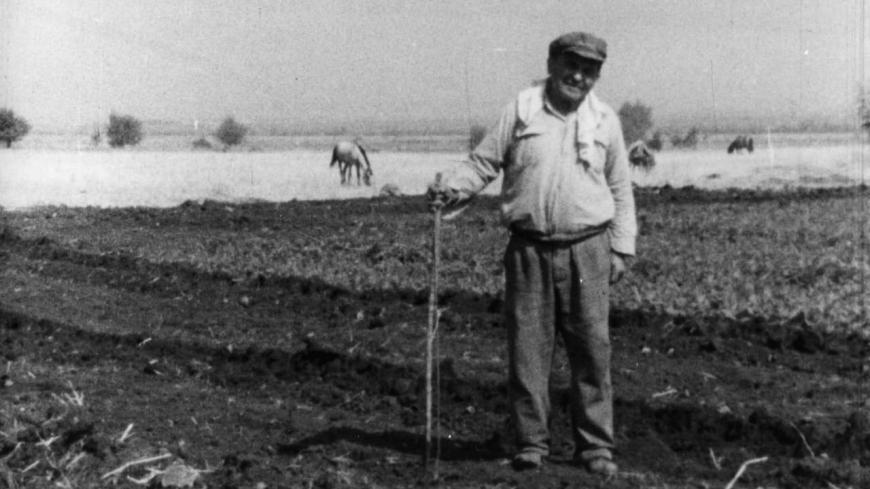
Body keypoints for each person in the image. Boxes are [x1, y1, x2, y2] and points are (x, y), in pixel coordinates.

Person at [427, 31, 636, 477]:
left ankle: (595, 447)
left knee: (592, 350)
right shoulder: (521, 110)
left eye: (589, 70)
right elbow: (484, 163)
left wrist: (622, 247)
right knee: (528, 351)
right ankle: (530, 444)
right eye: (571, 65)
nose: (578, 76)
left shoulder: (605, 121)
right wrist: (451, 189)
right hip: (529, 251)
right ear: (552, 64)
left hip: (588, 249)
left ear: (597, 76)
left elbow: (621, 187)